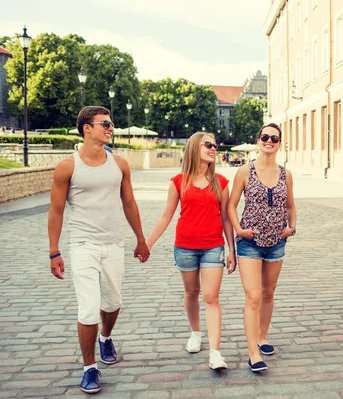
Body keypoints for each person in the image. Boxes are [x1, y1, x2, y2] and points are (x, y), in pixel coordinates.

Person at [47, 106, 150, 394]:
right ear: (86, 128)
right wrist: (54, 251)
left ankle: (106, 337)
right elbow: (55, 212)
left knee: (113, 302)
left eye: (111, 123)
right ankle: (89, 368)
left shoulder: (119, 164)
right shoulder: (67, 167)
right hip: (82, 244)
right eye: (104, 123)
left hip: (114, 243)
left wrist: (141, 239)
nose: (110, 127)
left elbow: (129, 204)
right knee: (89, 308)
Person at [145, 132, 236, 370]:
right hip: (184, 246)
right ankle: (196, 332)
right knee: (191, 292)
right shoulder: (178, 181)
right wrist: (148, 243)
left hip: (213, 246)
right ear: (195, 147)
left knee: (211, 297)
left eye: (215, 145)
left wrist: (231, 250)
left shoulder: (222, 182)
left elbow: (226, 218)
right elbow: (167, 215)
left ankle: (215, 352)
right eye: (208, 144)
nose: (213, 148)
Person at [227, 123, 296, 372]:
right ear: (258, 140)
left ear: (279, 143)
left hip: (277, 243)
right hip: (250, 243)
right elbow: (231, 205)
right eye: (265, 137)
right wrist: (239, 230)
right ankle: (253, 353)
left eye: (274, 138)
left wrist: (292, 227)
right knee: (254, 296)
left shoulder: (286, 174)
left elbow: (291, 205)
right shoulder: (246, 171)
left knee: (268, 293)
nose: (269, 141)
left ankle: (262, 337)